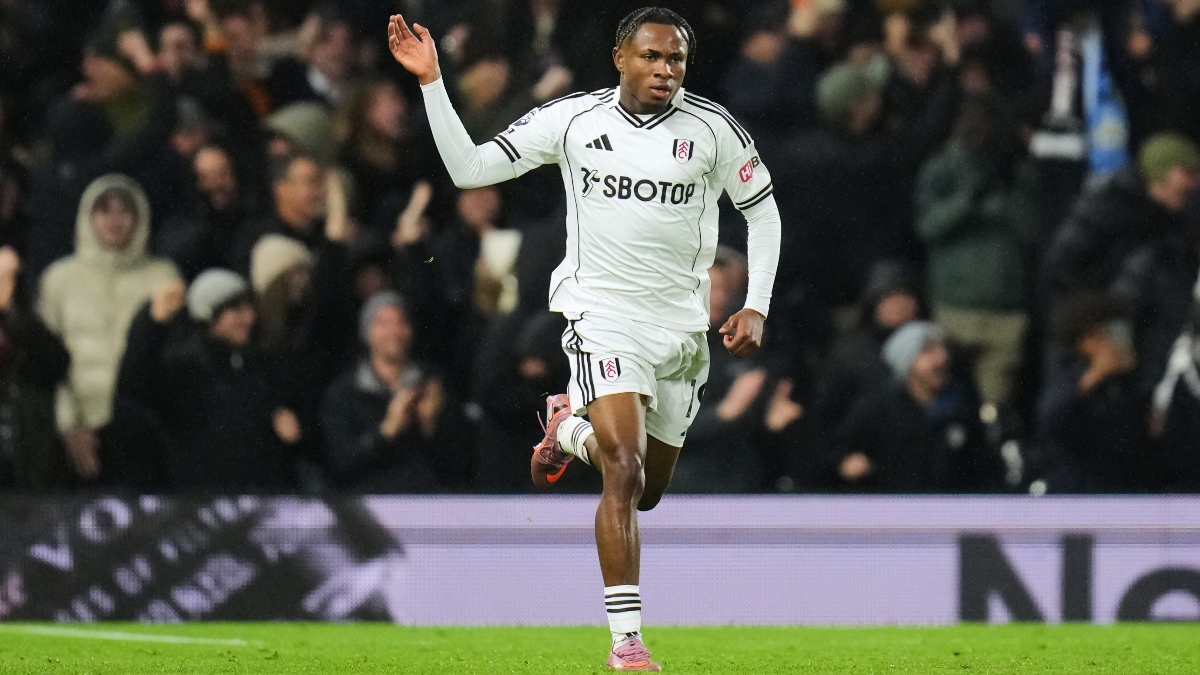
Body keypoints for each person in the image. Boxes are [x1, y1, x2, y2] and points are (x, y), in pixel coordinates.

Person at [388, 6, 781, 669]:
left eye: (676, 59)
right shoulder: (573, 120)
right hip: (603, 318)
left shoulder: (713, 129)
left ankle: (568, 428)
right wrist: (432, 82)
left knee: (646, 491)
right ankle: (626, 641)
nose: (664, 69)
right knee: (623, 468)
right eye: (651, 55)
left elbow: (763, 213)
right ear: (620, 57)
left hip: (681, 332)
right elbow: (470, 169)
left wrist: (757, 305)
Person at [37, 174, 182, 486]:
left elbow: (175, 355)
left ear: (140, 217)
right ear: (87, 217)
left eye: (124, 211)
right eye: (104, 211)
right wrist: (69, 426)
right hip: (79, 429)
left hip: (146, 430)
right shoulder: (59, 279)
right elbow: (48, 362)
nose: (114, 221)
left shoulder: (163, 276)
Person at [115, 269, 303, 492]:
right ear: (208, 315)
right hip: (197, 503)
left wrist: (289, 433)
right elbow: (132, 388)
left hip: (257, 503)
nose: (249, 318)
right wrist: (150, 324)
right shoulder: (181, 370)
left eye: (249, 307)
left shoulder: (261, 366)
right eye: (236, 309)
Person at [834, 321, 991, 492]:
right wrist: (845, 464)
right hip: (890, 503)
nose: (942, 358)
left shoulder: (962, 407)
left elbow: (985, 466)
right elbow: (837, 453)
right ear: (905, 360)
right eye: (928, 351)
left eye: (944, 349)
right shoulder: (877, 408)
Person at [320, 291, 452, 493]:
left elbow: (459, 462)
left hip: (427, 500)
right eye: (383, 323)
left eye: (401, 322)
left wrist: (429, 424)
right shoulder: (343, 392)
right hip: (367, 502)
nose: (394, 331)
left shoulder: (432, 383)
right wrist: (385, 432)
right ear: (367, 332)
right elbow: (339, 464)